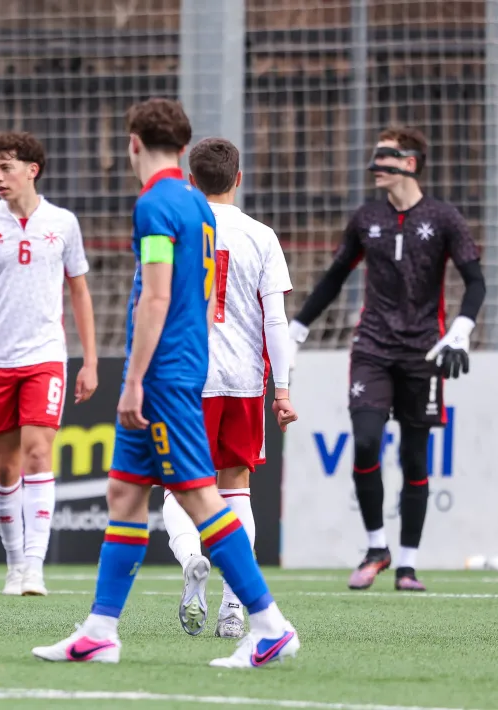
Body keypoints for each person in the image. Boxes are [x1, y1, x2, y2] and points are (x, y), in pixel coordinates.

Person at [32, 99, 298, 668]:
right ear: (181, 149)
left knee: (199, 496)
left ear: (133, 143)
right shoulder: (196, 206)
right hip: (187, 369)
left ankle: (270, 626)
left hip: (164, 377)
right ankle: (101, 630)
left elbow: (155, 297)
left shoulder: (156, 204)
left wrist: (134, 380)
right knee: (125, 493)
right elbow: (199, 294)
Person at [288, 126, 486, 592]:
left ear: (410, 163)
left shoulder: (444, 217)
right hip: (372, 347)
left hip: (424, 351)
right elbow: (334, 278)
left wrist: (461, 330)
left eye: (385, 156)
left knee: (415, 457)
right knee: (364, 442)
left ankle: (407, 566)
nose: (375, 165)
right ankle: (377, 548)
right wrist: (296, 330)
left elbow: (476, 282)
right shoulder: (366, 218)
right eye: (374, 156)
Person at [0, 131, 99, 597]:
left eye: (6, 167)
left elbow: (80, 292)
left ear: (32, 170)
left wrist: (90, 360)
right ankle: (14, 562)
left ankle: (34, 566)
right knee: (5, 466)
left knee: (38, 453)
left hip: (45, 356)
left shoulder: (63, 223)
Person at [160, 137, 297, 638]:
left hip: (186, 377)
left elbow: (153, 302)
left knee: (180, 484)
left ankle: (191, 558)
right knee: (236, 485)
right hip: (242, 380)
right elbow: (275, 320)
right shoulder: (261, 236)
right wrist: (282, 391)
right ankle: (234, 607)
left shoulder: (175, 229)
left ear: (190, 181)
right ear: (238, 178)